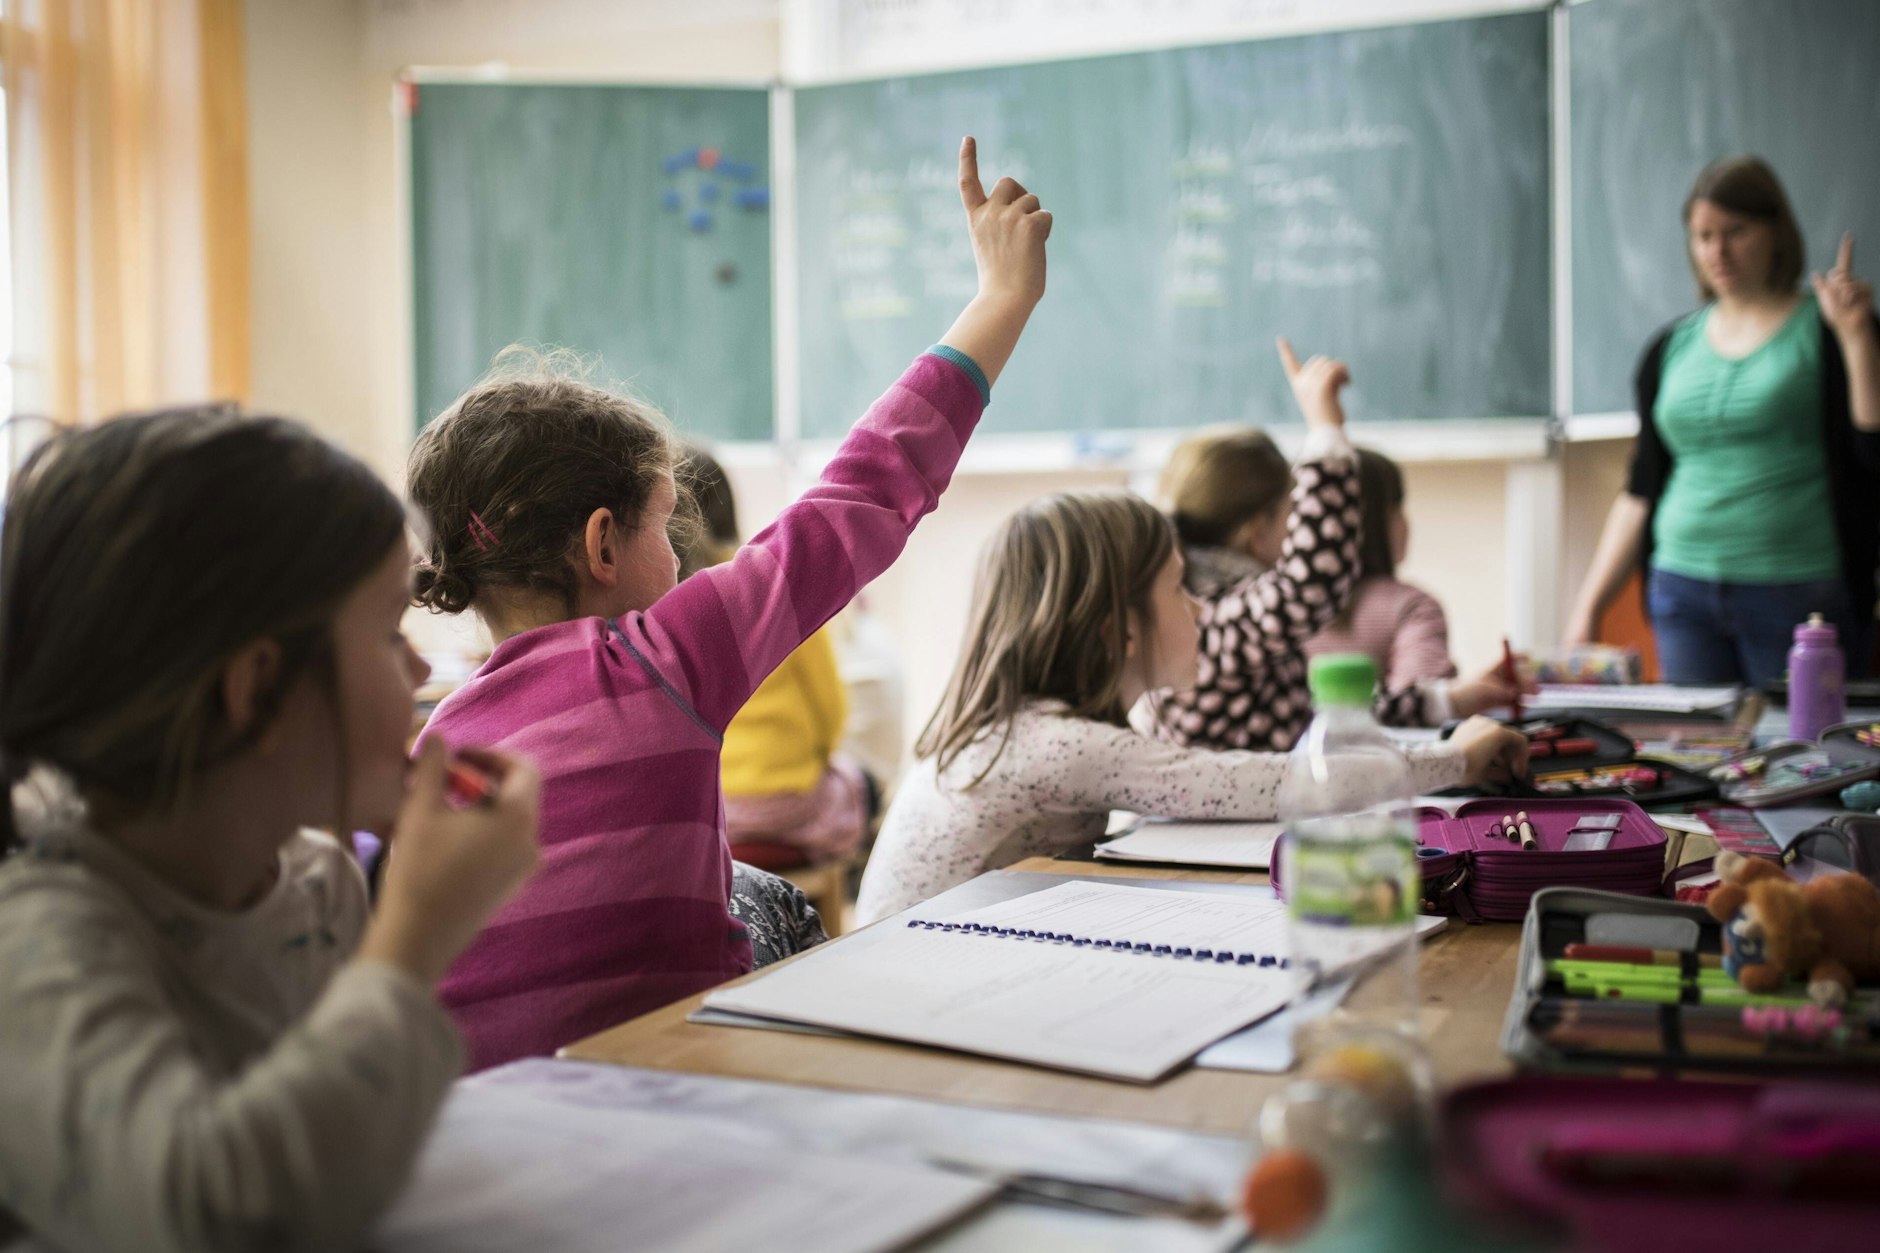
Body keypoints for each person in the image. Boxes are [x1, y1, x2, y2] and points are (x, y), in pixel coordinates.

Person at [405, 137, 1052, 1069]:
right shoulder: (661, 657)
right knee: (769, 905)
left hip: (484, 1109)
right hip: (668, 1087)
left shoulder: (443, 739)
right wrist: (1000, 301)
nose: (679, 558)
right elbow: (865, 492)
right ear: (599, 544)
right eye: (665, 528)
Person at [0, 407, 540, 1253]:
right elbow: (208, 1214)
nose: (421, 668)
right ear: (256, 690)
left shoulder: (319, 888)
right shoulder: (39, 942)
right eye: (388, 630)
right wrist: (413, 943)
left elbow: (340, 1167)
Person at [854, 488, 1526, 924]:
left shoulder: (1033, 730)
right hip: (908, 995)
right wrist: (1457, 756)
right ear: (1118, 627)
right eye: (1179, 588)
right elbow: (1280, 781)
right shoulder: (1053, 743)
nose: (1200, 608)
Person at [1565, 156, 1880, 685]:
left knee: (1805, 758)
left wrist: (1857, 337)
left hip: (1800, 594)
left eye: (1736, 231)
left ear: (1776, 232)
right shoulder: (1670, 347)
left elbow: (1874, 452)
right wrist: (1588, 606)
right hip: (1681, 590)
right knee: (1700, 757)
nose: (1718, 251)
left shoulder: (1829, 330)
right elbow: (1642, 487)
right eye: (1703, 236)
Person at [1149, 341, 1518, 752]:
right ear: (1257, 531)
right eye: (1292, 513)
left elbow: (1308, 716)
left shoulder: (1227, 613)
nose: (1298, 528)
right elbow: (1310, 586)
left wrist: (1444, 700)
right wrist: (1325, 427)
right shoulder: (1207, 617)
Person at [675, 445, 875, 866]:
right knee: (864, 786)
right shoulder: (768, 584)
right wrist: (818, 758)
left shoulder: (655, 613)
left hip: (709, 811)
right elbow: (830, 710)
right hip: (786, 800)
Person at [1303, 447, 1521, 722]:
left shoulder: (1285, 609)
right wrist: (1450, 697)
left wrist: (1463, 691)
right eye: (1398, 507)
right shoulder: (1410, 607)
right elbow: (1419, 703)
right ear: (1375, 522)